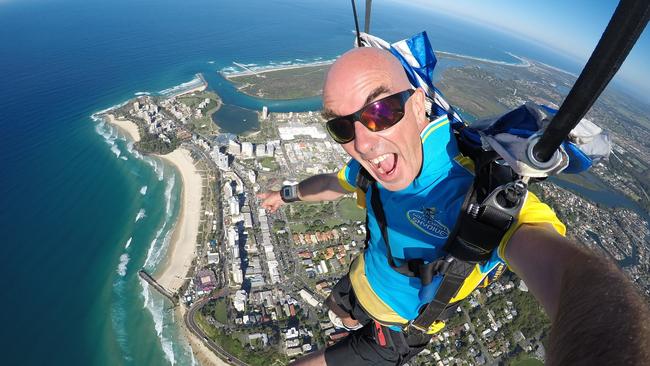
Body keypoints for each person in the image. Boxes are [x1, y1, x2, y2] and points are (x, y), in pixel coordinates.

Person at [258, 47, 650, 365]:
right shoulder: (369, 172)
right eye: (342, 126)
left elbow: (572, 279)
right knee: (340, 312)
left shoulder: (483, 201)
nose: (362, 143)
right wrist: (286, 194)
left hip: (398, 330)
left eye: (379, 113)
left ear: (416, 105)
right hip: (361, 282)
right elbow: (331, 183)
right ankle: (346, 321)